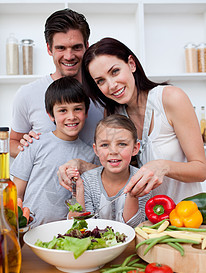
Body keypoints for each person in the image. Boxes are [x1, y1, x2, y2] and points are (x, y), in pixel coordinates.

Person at [58, 37, 206, 204]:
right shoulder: (114, 114)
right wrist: (80, 165)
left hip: (187, 218)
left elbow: (201, 169)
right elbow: (117, 172)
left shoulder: (170, 98)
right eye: (101, 81)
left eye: (115, 71)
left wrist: (163, 166)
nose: (112, 85)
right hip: (146, 223)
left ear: (131, 64)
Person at [10, 8, 103, 158]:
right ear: (49, 48)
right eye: (61, 48)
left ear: (87, 46)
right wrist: (27, 148)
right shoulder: (27, 94)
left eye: (76, 47)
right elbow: (12, 142)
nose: (69, 56)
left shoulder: (103, 89)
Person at [10, 76, 99, 227]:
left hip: (68, 233)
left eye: (77, 109)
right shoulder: (35, 143)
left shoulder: (90, 155)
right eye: (63, 110)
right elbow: (16, 191)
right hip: (31, 228)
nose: (71, 117)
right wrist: (17, 221)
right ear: (51, 114)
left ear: (86, 111)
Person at [67, 115, 149, 228]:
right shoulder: (87, 180)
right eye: (105, 145)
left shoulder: (141, 179)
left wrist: (132, 195)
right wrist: (79, 190)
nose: (113, 151)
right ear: (96, 149)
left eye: (122, 144)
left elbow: (135, 225)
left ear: (135, 148)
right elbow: (79, 224)